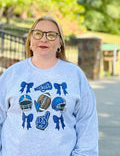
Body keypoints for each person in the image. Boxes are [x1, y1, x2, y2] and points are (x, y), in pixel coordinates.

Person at [0, 16, 98, 156]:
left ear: (60, 43)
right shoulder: (12, 74)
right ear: (30, 40)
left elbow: (87, 123)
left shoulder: (75, 75)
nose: (44, 39)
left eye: (51, 35)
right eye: (38, 33)